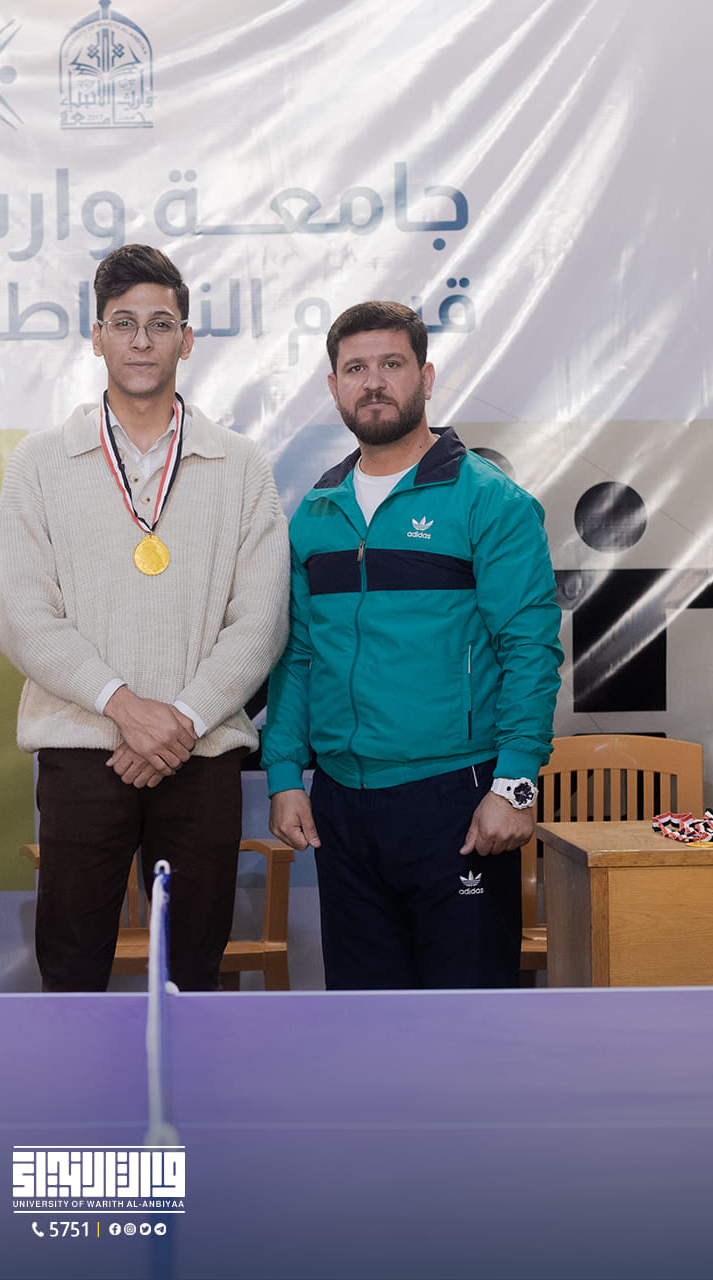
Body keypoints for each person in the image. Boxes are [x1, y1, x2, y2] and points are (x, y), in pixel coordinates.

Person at [0, 244, 289, 992]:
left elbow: (260, 622)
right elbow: (24, 618)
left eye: (160, 324)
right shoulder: (39, 462)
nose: (141, 340)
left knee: (193, 972)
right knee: (71, 971)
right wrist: (126, 709)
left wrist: (179, 721)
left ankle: (190, 1080)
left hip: (203, 752)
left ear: (186, 340)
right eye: (123, 323)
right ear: (97, 338)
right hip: (83, 752)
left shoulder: (241, 464)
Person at [262, 300, 562, 989]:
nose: (373, 382)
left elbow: (530, 651)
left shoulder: (489, 501)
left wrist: (515, 786)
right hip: (341, 806)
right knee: (363, 1025)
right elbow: (297, 657)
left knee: (468, 1026)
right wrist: (283, 776)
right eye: (355, 369)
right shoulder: (317, 513)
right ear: (334, 386)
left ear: (425, 378)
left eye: (391, 364)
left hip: (458, 801)